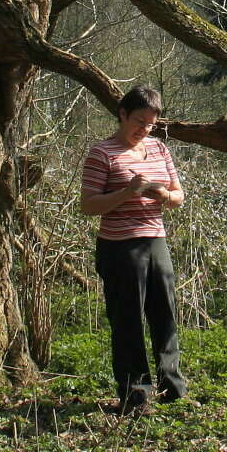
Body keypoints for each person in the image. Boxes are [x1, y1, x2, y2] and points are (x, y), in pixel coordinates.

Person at [79, 85, 187, 414]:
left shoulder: (158, 149)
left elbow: (178, 195)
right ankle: (135, 396)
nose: (144, 130)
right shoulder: (102, 153)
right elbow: (88, 205)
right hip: (119, 247)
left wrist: (163, 197)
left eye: (150, 124)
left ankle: (173, 387)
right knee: (127, 321)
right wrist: (127, 192)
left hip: (156, 240)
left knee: (164, 314)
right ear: (122, 115)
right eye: (139, 122)